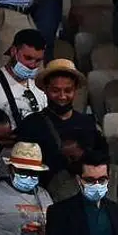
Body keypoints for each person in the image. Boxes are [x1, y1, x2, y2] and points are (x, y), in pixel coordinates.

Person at [14, 59, 104, 192]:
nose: (62, 96)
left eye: (68, 90)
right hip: (44, 193)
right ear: (45, 89)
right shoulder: (31, 124)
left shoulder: (88, 123)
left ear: (75, 90)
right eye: (55, 91)